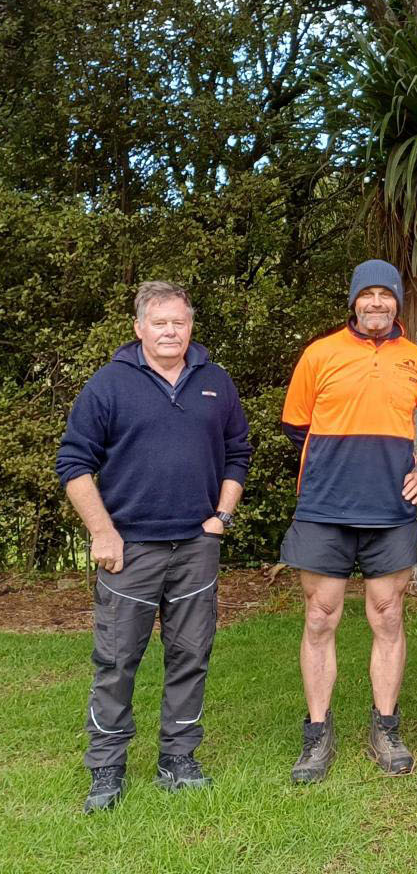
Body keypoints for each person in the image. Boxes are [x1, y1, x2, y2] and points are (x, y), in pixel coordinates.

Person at [56, 281, 252, 814]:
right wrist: (102, 531)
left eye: (179, 323)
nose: (171, 332)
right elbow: (74, 464)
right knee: (117, 660)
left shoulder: (216, 382)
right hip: (130, 548)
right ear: (139, 327)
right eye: (159, 323)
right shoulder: (109, 386)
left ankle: (178, 759)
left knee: (191, 655)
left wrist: (221, 517)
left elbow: (239, 452)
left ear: (191, 326)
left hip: (196, 545)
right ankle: (106, 768)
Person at [279, 259, 417, 783]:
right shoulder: (320, 354)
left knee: (388, 615)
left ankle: (386, 728)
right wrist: (335, 469)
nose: (376, 303)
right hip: (324, 509)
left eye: (386, 294)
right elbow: (295, 429)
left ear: (397, 301)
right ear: (354, 300)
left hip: (390, 511)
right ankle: (316, 733)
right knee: (320, 616)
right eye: (367, 294)